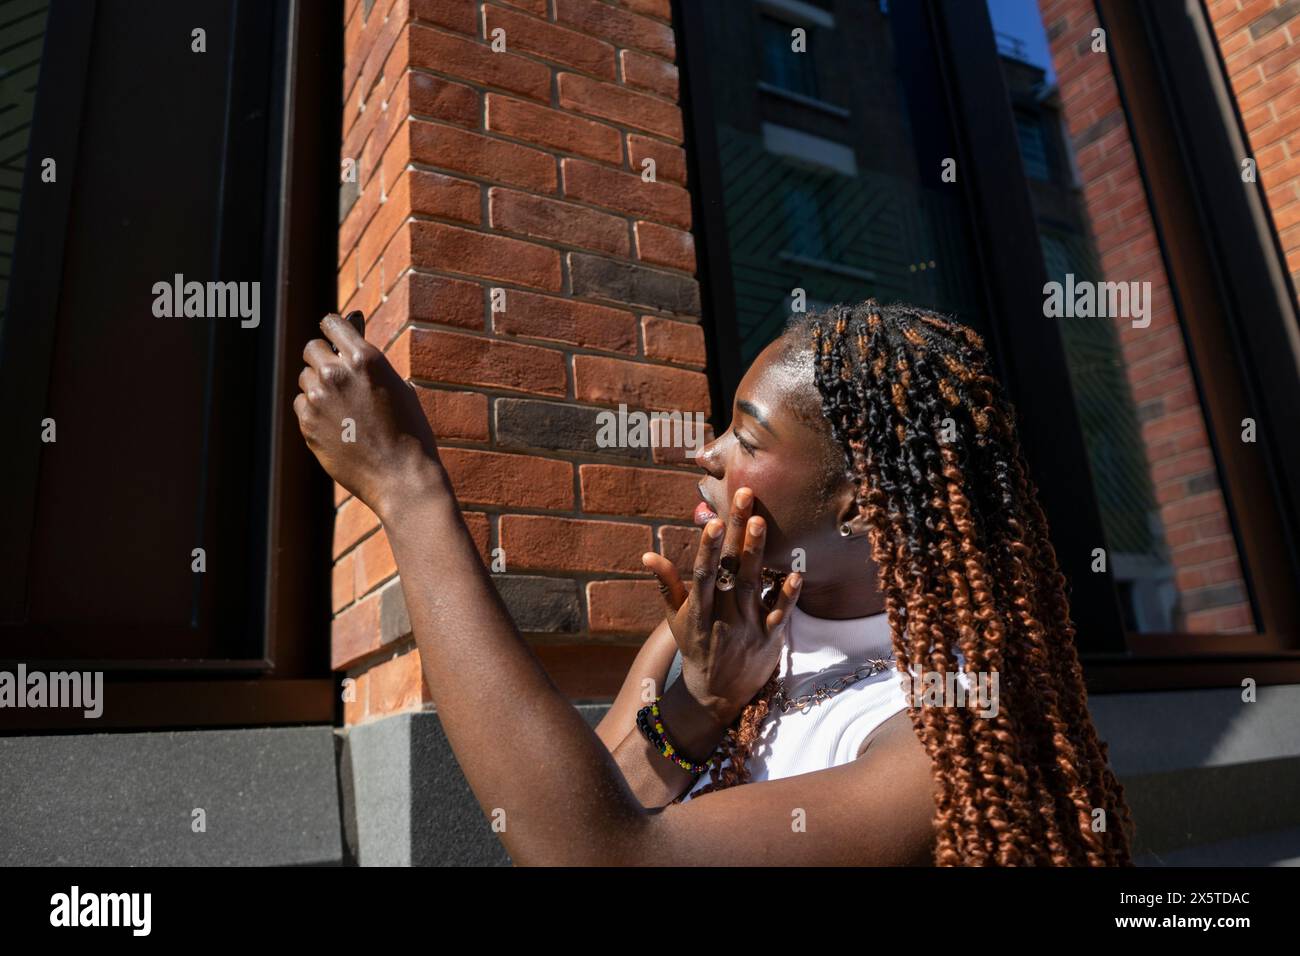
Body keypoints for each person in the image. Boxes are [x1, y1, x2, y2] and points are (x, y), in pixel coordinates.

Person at [294, 297, 1136, 865]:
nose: (705, 453)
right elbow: (568, 808)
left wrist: (409, 492)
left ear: (861, 503)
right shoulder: (717, 622)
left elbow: (601, 854)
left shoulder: (947, 730)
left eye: (747, 435)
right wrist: (697, 705)